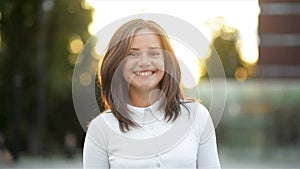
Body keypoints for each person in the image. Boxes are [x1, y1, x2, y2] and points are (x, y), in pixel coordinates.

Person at [83, 19, 221, 168]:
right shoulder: (100, 129)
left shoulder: (197, 116)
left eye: (154, 53)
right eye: (133, 54)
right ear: (117, 64)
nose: (144, 62)